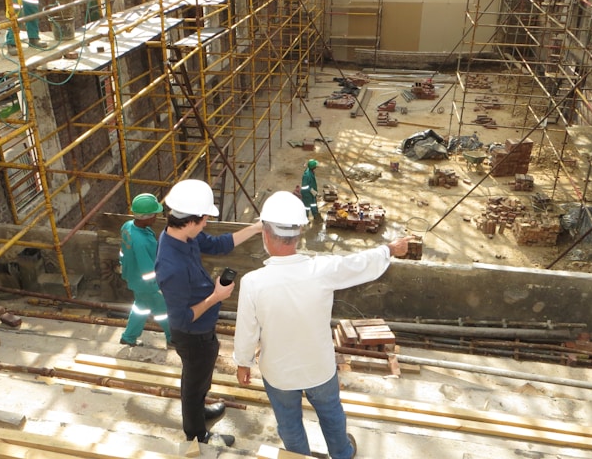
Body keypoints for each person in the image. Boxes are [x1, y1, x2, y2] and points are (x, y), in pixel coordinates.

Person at [233, 191, 410, 459]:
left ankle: (299, 456)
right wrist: (390, 249)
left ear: (265, 234)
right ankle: (342, 454)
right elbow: (359, 264)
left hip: (279, 373)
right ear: (300, 233)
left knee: (289, 424)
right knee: (331, 414)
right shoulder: (321, 270)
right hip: (319, 368)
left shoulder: (253, 282)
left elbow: (247, 331)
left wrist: (243, 362)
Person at [154, 179, 263, 447]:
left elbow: (217, 244)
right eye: (204, 220)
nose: (206, 225)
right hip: (192, 334)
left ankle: (199, 411)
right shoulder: (171, 266)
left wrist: (256, 228)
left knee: (200, 377)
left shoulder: (182, 234)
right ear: (190, 221)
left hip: (202, 329)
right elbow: (179, 318)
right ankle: (196, 434)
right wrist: (216, 297)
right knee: (194, 381)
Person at [118, 193, 171, 348]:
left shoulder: (127, 226)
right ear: (145, 217)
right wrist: (158, 287)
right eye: (154, 214)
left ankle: (128, 337)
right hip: (148, 285)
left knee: (141, 308)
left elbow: (123, 252)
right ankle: (173, 338)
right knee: (165, 311)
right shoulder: (141, 242)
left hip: (135, 279)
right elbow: (147, 270)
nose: (156, 217)